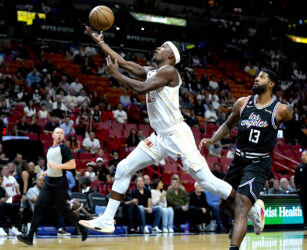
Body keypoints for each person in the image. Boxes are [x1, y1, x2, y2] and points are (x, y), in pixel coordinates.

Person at [79, 26, 236, 234]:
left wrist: (116, 75)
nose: (157, 49)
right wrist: (101, 43)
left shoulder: (170, 71)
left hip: (177, 135)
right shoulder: (152, 71)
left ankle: (247, 204)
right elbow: (124, 63)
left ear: (170, 55)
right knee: (124, 168)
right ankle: (107, 219)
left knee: (206, 181)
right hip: (160, 137)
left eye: (162, 47)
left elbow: (141, 88)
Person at [199, 69, 307, 249]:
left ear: (271, 84)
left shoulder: (281, 110)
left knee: (240, 205)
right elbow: (228, 124)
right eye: (257, 76)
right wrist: (213, 139)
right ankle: (254, 212)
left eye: (262, 77)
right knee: (224, 204)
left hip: (258, 163)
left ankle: (237, 238)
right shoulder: (242, 103)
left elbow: (296, 131)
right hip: (239, 160)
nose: (256, 78)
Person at [17, 127, 88, 245]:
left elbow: (72, 164)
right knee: (38, 206)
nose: (60, 134)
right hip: (49, 182)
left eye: (62, 133)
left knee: (64, 211)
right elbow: (51, 167)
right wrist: (46, 172)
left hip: (60, 184)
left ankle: (82, 226)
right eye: (57, 132)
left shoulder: (64, 148)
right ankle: (29, 237)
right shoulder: (50, 150)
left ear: (63, 137)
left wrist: (57, 167)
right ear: (53, 136)